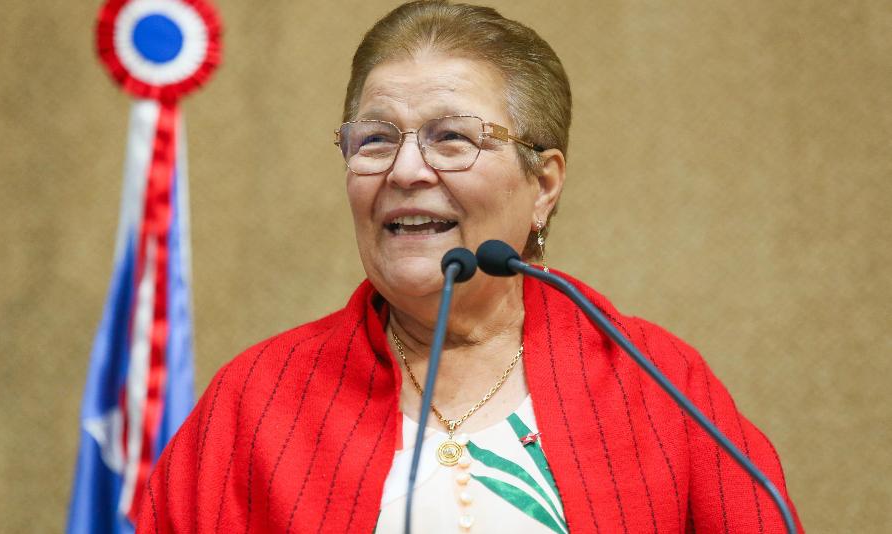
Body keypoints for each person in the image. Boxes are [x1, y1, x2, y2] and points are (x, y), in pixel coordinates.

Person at [137, 1, 803, 532]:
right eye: (375, 140)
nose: (405, 170)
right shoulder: (254, 403)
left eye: (451, 137)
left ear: (543, 185)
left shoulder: (658, 384)